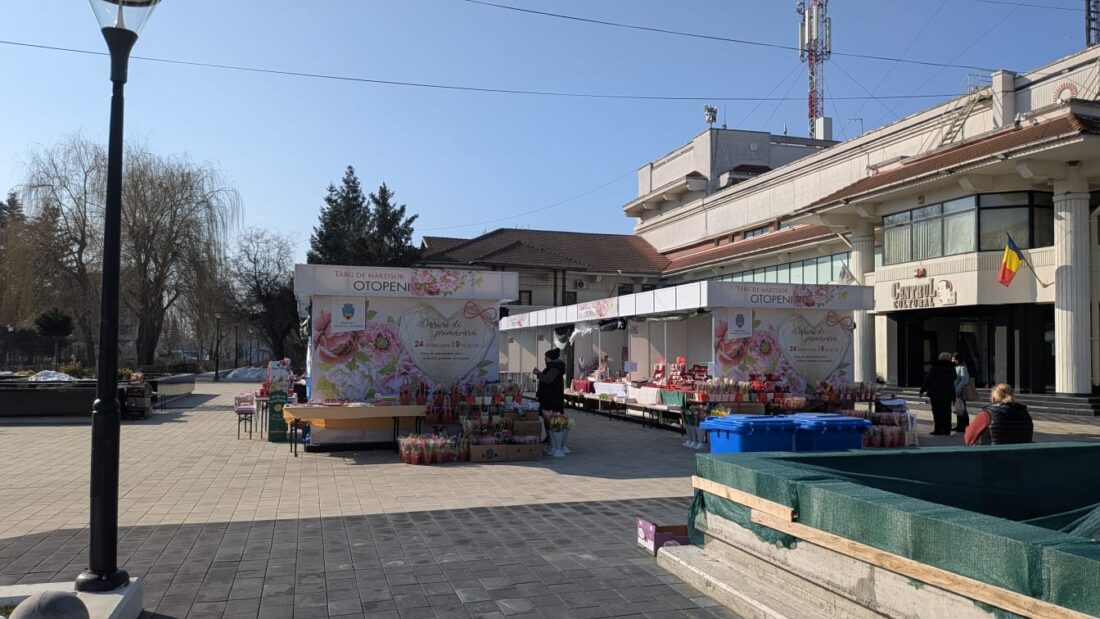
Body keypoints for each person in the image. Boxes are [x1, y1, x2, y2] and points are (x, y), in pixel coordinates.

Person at [965, 383, 1034, 446]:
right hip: (1022, 457)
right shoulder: (1025, 413)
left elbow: (968, 439)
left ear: (993, 399)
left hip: (994, 457)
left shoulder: (986, 414)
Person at [920, 352, 957, 436]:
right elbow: (954, 378)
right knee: (947, 412)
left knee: (937, 412)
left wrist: (922, 390)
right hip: (948, 392)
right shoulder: (951, 367)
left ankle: (938, 430)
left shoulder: (935, 366)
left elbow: (929, 379)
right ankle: (947, 430)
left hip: (936, 392)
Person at [534, 348, 566, 414]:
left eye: (546, 357)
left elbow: (548, 379)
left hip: (552, 401)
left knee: (552, 420)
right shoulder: (552, 367)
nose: (545, 359)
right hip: (550, 400)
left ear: (551, 358)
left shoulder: (555, 368)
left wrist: (538, 373)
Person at [951, 352, 971, 433]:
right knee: (958, 408)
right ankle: (959, 426)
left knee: (962, 408)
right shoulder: (955, 367)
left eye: (954, 359)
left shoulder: (962, 367)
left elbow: (964, 380)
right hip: (955, 391)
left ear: (958, 359)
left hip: (960, 391)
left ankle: (965, 426)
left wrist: (958, 390)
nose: (952, 361)